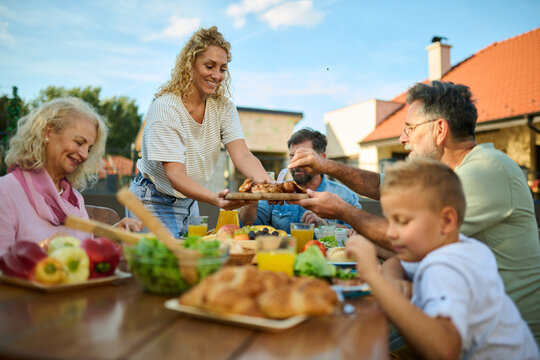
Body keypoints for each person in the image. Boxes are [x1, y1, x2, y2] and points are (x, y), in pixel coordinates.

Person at [288, 81, 540, 345]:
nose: (402, 138)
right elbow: (382, 186)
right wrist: (326, 166)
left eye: (409, 128)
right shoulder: (445, 176)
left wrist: (343, 210)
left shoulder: (485, 171)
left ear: (440, 129)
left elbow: (410, 243)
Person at [347, 158, 538, 359]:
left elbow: (444, 351)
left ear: (446, 221)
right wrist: (392, 278)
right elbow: (398, 262)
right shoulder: (454, 246)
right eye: (390, 220)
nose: (392, 232)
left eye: (401, 221)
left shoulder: (446, 266)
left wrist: (372, 275)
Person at [129, 26, 270, 238]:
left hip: (189, 201)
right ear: (190, 65)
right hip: (152, 198)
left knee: (194, 264)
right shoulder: (166, 107)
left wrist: (270, 187)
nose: (217, 75)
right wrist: (214, 198)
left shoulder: (223, 107)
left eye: (222, 68)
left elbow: (242, 154)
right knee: (166, 265)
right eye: (209, 66)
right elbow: (175, 174)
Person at [0, 97, 142, 255]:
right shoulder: (5, 191)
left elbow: (79, 255)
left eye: (89, 149)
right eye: (79, 142)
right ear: (48, 132)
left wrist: (112, 238)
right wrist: (41, 254)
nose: (84, 155)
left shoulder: (74, 199)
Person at [238, 128, 362, 232]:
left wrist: (324, 225)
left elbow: (358, 232)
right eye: (292, 156)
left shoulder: (345, 195)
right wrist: (252, 198)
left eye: (303, 156)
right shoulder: (277, 192)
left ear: (322, 159)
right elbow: (247, 225)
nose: (295, 163)